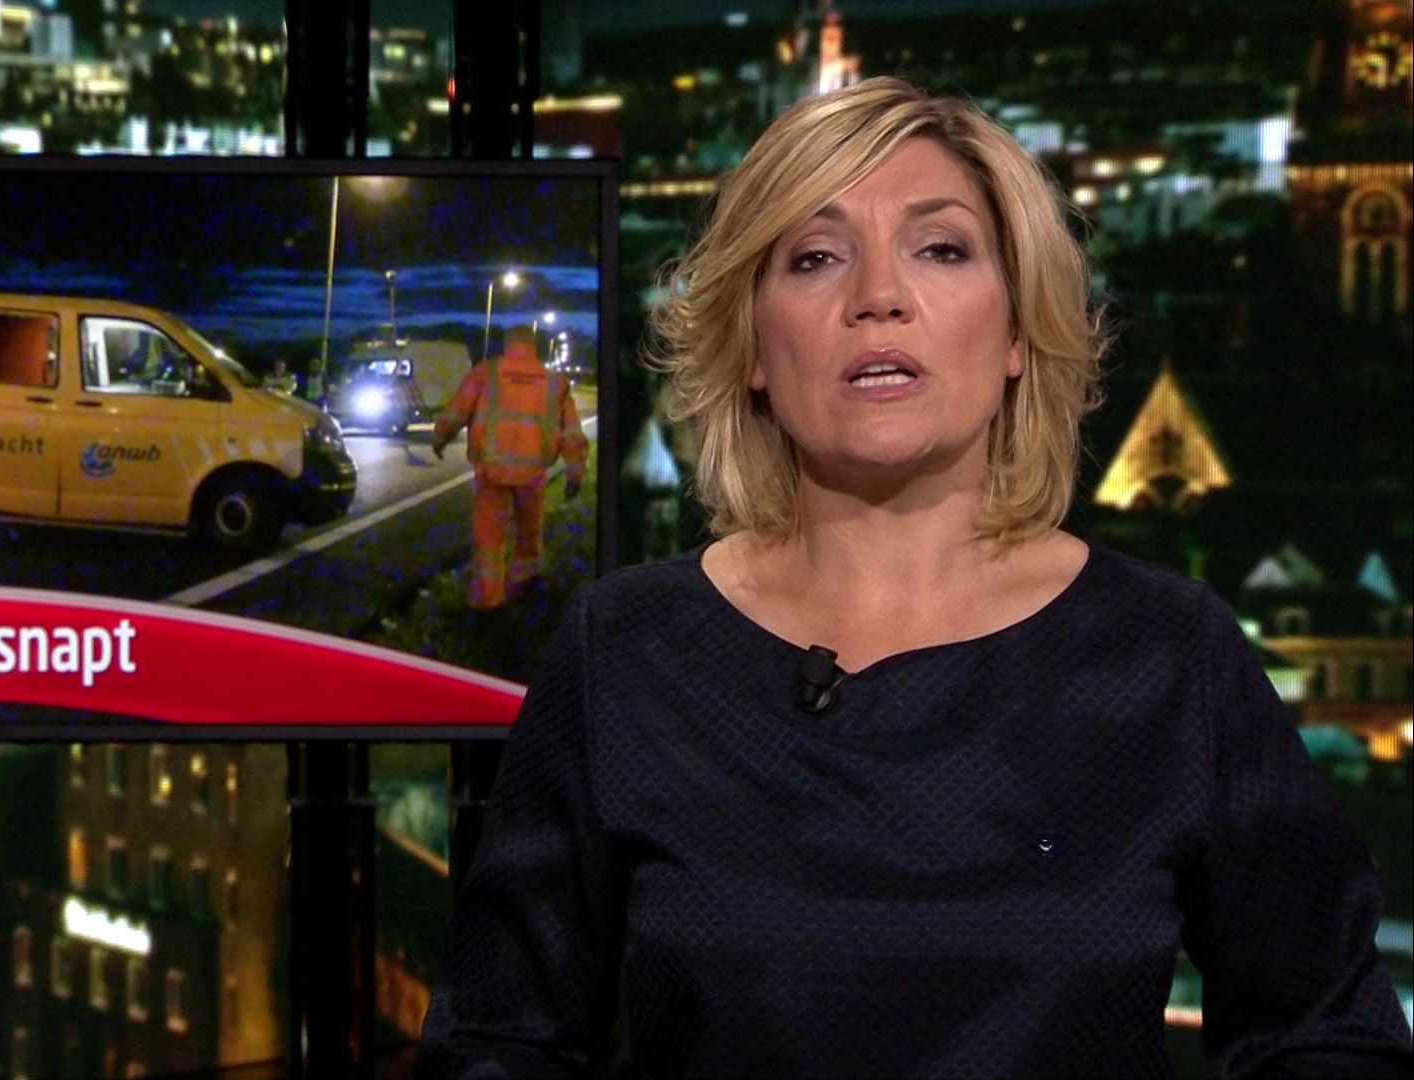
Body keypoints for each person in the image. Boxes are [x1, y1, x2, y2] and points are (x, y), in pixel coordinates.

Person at [415, 78, 1414, 1078]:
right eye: (816, 257)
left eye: (940, 248)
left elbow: (1331, 1037)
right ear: (753, 344)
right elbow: (497, 1046)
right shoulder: (626, 654)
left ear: (1018, 332)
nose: (879, 296)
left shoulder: (1167, 655)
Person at [432, 325, 589, 610]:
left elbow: (457, 412)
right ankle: (523, 587)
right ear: (533, 346)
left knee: (488, 537)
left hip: (491, 470)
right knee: (529, 534)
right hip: (533, 472)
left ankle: (489, 600)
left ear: (507, 344)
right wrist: (575, 473)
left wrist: (440, 438)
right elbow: (572, 433)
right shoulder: (555, 381)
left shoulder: (486, 373)